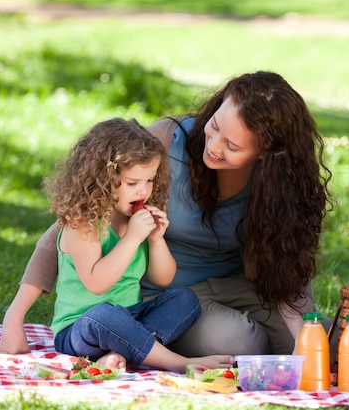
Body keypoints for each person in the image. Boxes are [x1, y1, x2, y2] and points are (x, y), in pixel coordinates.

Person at [0, 71, 336, 361]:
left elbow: (286, 259)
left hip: (243, 288)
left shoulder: (280, 185)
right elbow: (76, 221)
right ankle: (146, 345)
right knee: (242, 344)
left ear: (267, 155)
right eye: (213, 126)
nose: (213, 146)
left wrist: (302, 333)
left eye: (232, 146)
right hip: (167, 295)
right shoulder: (166, 143)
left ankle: (135, 346)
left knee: (328, 345)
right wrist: (14, 316)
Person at [26, 117, 233, 371]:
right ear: (102, 180)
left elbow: (163, 279)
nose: (143, 191)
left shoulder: (133, 219)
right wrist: (132, 238)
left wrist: (156, 241)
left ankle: (122, 351)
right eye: (132, 183)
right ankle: (178, 363)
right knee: (104, 315)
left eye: (150, 180)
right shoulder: (84, 223)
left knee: (185, 299)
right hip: (81, 327)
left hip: (129, 319)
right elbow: (97, 284)